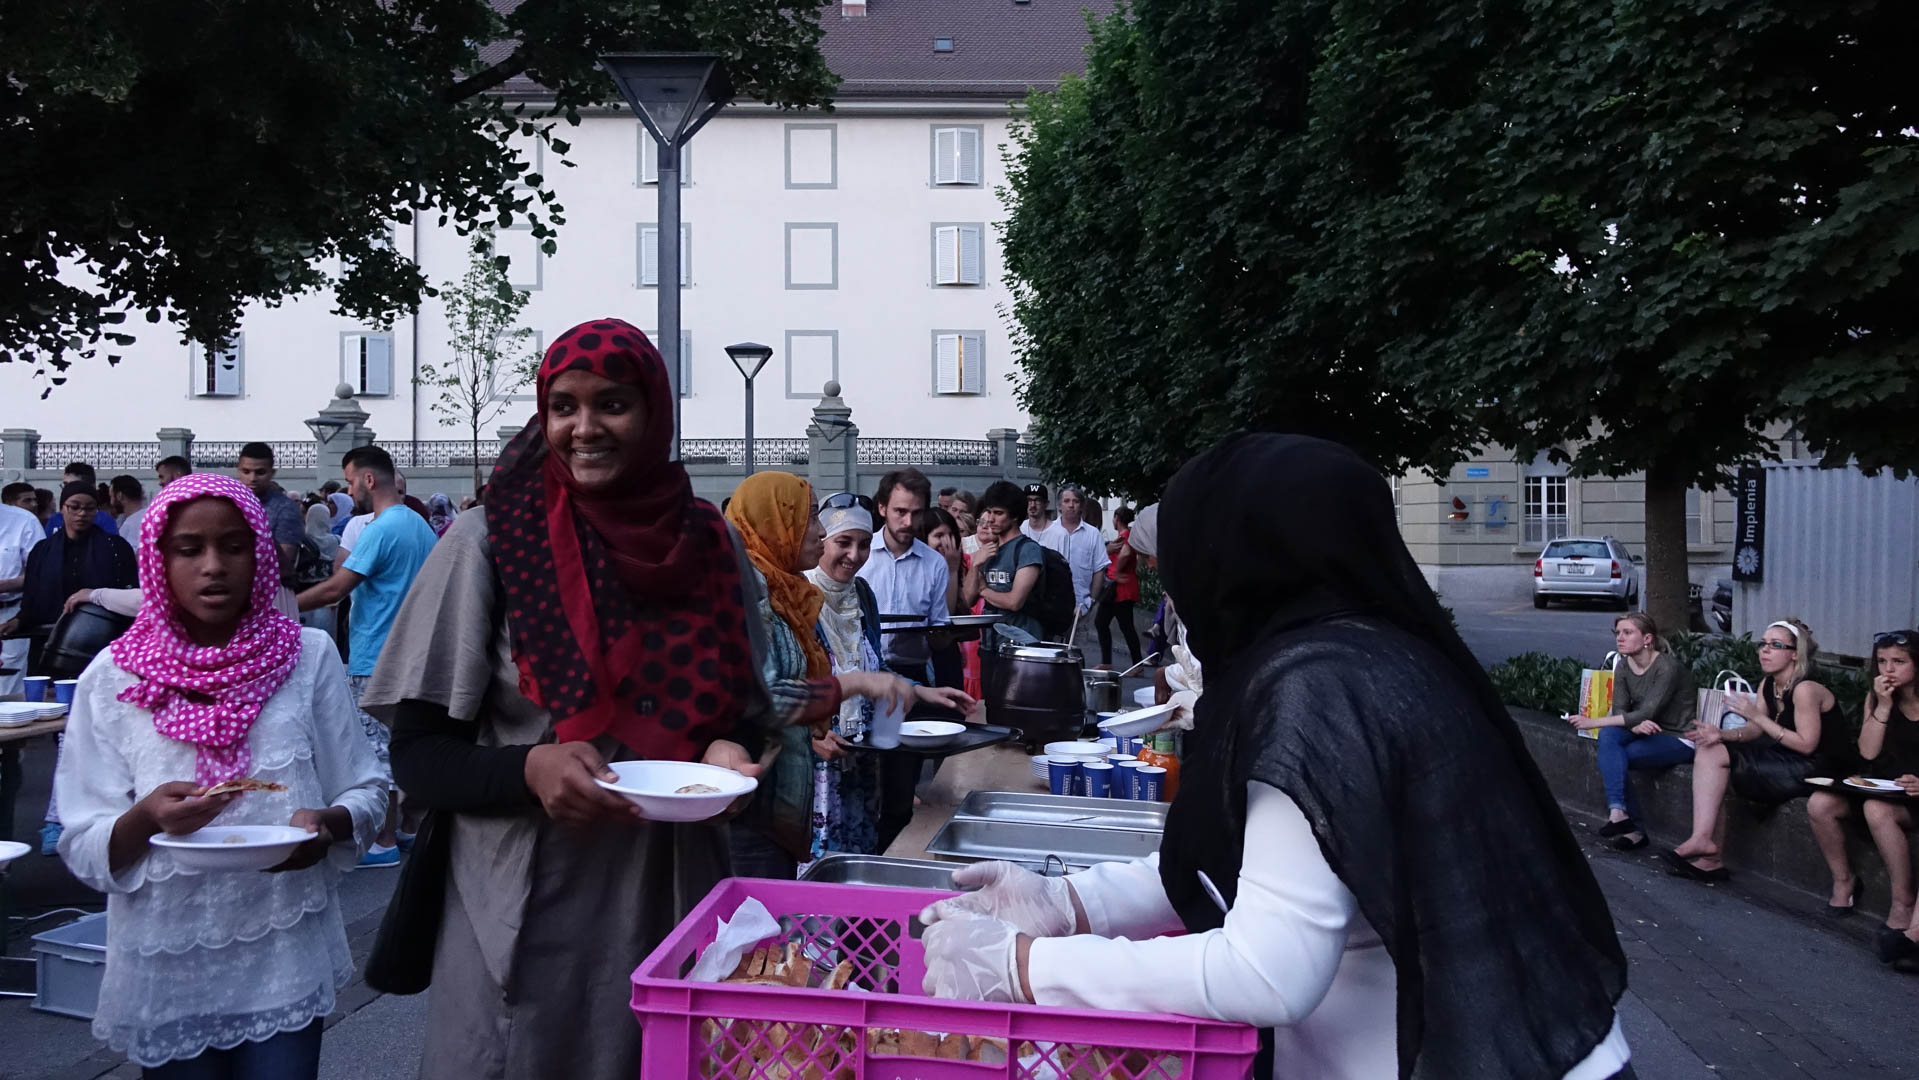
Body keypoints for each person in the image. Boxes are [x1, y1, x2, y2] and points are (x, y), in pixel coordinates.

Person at [918, 433, 1633, 1080]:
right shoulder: (1370, 655)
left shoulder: (1319, 691)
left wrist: (1022, 965)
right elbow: (1271, 866)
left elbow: (1266, 969)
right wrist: (1070, 901)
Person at [52, 473, 386, 1079]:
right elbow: (79, 836)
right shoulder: (112, 677)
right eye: (189, 549)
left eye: (234, 546)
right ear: (157, 559)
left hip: (283, 954)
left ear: (260, 553)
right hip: (168, 957)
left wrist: (329, 826)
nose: (214, 566)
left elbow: (366, 789)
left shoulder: (306, 658)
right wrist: (145, 816)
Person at [725, 473, 967, 879]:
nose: (820, 533)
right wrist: (823, 720)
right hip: (797, 782)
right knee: (805, 886)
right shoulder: (769, 597)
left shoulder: (836, 596)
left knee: (850, 872)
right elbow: (769, 695)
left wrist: (920, 692)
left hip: (856, 763)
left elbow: (870, 667)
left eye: (863, 544)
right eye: (816, 525)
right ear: (779, 526)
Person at [296, 445, 435, 866]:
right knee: (409, 746)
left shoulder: (380, 528)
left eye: (352, 480)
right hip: (415, 655)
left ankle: (384, 839)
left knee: (377, 753)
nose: (349, 490)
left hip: (377, 657)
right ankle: (410, 830)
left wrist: (280, 607)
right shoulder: (420, 525)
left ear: (369, 480)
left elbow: (338, 588)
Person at [1667, 617, 1843, 883]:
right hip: (1786, 758)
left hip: (1818, 766)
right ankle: (1703, 843)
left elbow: (1806, 744)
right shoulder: (1769, 684)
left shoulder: (1805, 689)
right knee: (1710, 750)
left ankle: (1709, 854)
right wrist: (1721, 734)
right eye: (1763, 644)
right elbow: (1753, 730)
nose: (1765, 650)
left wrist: (1758, 717)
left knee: (1722, 768)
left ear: (1795, 655)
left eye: (1775, 645)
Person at [1808, 630, 1919, 928]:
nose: (1889, 669)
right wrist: (1882, 706)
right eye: (1882, 661)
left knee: (1875, 809)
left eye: (1899, 661)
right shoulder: (1879, 697)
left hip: (1910, 796)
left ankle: (1902, 901)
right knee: (1820, 804)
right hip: (1886, 788)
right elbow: (1868, 752)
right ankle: (1844, 880)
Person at [803, 498, 888, 866]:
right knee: (819, 865)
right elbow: (781, 686)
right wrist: (810, 735)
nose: (855, 555)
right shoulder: (797, 596)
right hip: (816, 759)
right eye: (844, 542)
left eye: (864, 543)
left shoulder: (864, 595)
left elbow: (874, 665)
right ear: (823, 539)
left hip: (860, 755)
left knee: (859, 861)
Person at [1566, 613, 1695, 851]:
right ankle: (1618, 811)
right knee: (1609, 737)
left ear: (1647, 638)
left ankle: (1635, 829)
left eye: (1627, 633)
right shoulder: (1624, 665)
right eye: (1618, 633)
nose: (1620, 639)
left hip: (1678, 737)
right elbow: (1622, 709)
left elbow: (1649, 710)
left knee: (1617, 755)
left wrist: (1594, 721)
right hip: (1645, 729)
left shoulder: (1667, 667)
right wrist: (1633, 724)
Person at [964, 481, 1048, 693]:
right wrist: (975, 565)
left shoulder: (1027, 550)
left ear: (1014, 516)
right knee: (992, 710)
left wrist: (984, 590)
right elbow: (967, 600)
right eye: (989, 512)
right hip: (989, 646)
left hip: (1021, 648)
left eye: (999, 513)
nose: (991, 519)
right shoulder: (989, 550)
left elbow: (1014, 601)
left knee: (1017, 711)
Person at [1036, 483, 1109, 652]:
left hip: (1080, 609)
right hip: (1051, 608)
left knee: (1075, 656)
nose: (1071, 505)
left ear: (1082, 505)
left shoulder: (1093, 534)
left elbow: (1099, 569)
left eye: (1075, 501)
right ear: (1059, 505)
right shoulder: (1047, 532)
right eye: (1066, 501)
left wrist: (1091, 601)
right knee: (1050, 654)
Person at [235, 442, 306, 589]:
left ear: (272, 473)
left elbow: (284, 561)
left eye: (260, 472)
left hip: (272, 591)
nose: (252, 478)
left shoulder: (285, 509)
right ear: (238, 470)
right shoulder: (228, 503)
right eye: (246, 471)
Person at [0, 490, 42, 698]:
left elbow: (40, 573)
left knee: (9, 683)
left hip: (10, 613)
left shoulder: (23, 521)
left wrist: (6, 585)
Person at [1094, 505, 1143, 669]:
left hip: (1121, 588)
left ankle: (1135, 664)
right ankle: (1114, 663)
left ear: (1116, 518)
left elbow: (1126, 553)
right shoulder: (1124, 535)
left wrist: (1116, 571)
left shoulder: (1126, 536)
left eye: (1114, 518)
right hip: (1117, 589)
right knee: (1108, 623)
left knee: (1122, 626)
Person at [298, 504, 342, 638]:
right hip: (326, 597)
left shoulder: (301, 542)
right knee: (324, 638)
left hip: (302, 596)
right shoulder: (336, 541)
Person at [45, 462, 121, 537]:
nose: (66, 490)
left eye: (72, 485)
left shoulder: (105, 521)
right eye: (65, 485)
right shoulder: (54, 520)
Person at [110, 475, 149, 544]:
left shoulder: (131, 524)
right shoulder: (150, 515)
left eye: (111, 496)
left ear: (120, 496)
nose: (111, 502)